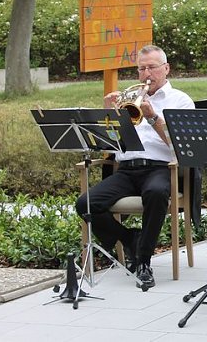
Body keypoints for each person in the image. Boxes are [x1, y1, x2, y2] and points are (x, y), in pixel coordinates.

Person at [75, 44, 194, 289]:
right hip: (127, 169)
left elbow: (181, 145)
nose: (146, 74)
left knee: (156, 193)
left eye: (152, 67)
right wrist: (109, 112)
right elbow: (111, 145)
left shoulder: (180, 100)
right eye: (141, 69)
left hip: (161, 167)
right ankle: (130, 238)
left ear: (166, 68)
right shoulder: (128, 100)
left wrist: (152, 117)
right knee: (85, 203)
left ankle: (144, 261)